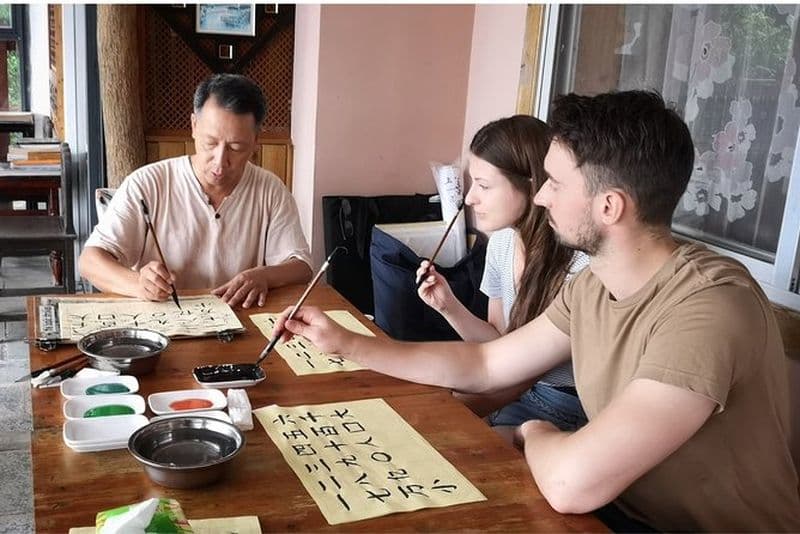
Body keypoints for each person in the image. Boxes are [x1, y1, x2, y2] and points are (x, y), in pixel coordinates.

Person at [274, 90, 800, 531]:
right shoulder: (594, 284)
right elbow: (487, 364)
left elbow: (573, 483)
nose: (541, 195)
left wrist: (534, 434)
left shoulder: (709, 306)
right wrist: (349, 344)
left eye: (555, 182)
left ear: (609, 206)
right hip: (616, 511)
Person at [79, 74, 312, 308]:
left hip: (239, 324)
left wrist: (264, 276)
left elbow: (302, 267)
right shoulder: (148, 183)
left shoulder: (270, 190)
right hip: (164, 325)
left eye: (236, 147)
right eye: (210, 143)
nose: (220, 161)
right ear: (193, 126)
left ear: (255, 141)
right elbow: (90, 261)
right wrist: (139, 283)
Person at [416, 115, 589, 430]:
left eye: (483, 185)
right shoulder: (501, 243)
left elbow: (518, 373)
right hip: (511, 391)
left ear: (533, 186)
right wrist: (448, 306)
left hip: (562, 404)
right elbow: (497, 346)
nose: (469, 198)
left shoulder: (580, 267)